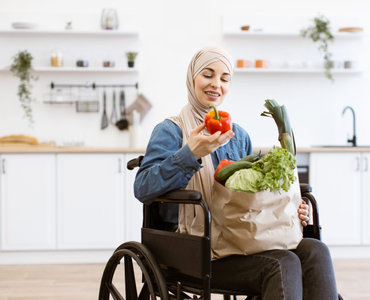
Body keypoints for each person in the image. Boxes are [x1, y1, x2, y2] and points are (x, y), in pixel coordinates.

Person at [134, 47, 338, 299]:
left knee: (315, 250)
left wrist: (289, 207)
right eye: (207, 75)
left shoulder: (238, 136)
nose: (216, 84)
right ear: (192, 78)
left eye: (224, 78)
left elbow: (250, 198)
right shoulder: (171, 131)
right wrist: (190, 153)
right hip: (194, 248)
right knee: (283, 263)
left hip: (239, 238)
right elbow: (142, 188)